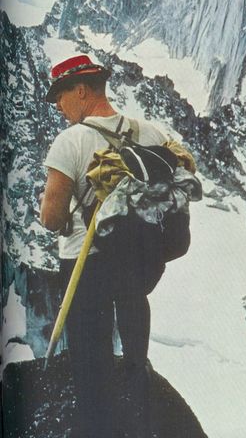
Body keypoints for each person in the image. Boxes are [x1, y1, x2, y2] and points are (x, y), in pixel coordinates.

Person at [40, 54, 172, 438]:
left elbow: (52, 218)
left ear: (81, 90)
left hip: (86, 266)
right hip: (136, 264)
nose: (59, 106)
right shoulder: (149, 132)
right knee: (134, 355)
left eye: (61, 96)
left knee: (89, 362)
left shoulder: (71, 141)